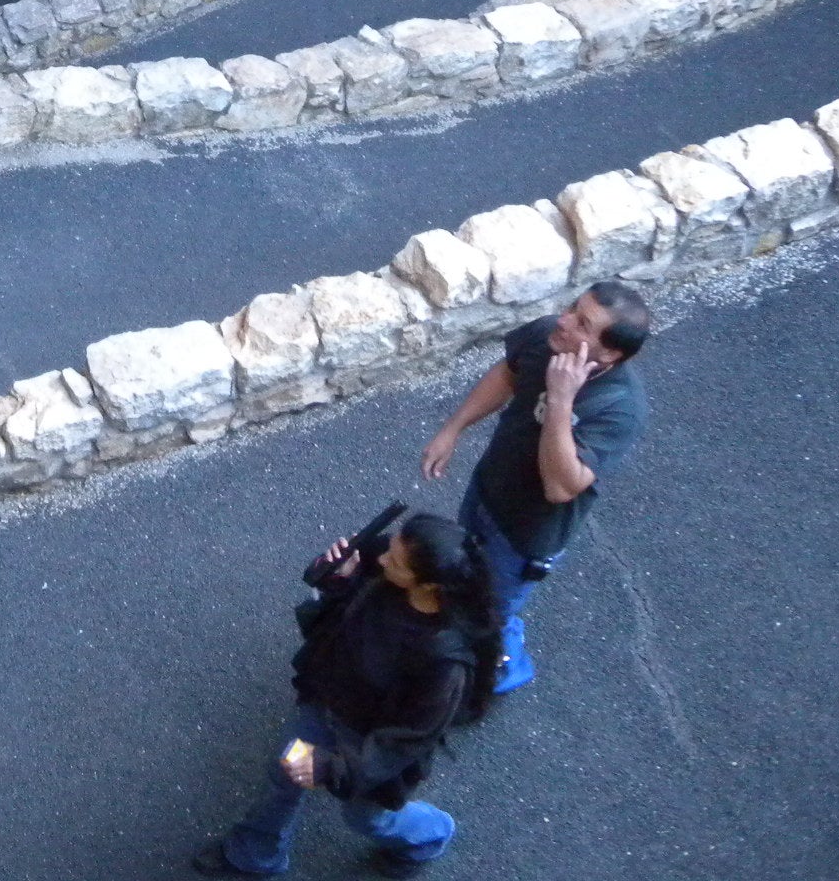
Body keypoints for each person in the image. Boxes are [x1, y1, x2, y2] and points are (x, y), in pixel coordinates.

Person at [194, 512, 503, 876]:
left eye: (397, 561)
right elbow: (337, 613)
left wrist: (332, 768)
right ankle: (255, 853)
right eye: (391, 547)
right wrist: (338, 576)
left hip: (367, 742)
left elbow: (402, 744)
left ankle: (430, 835)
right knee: (284, 771)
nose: (384, 555)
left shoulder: (443, 666)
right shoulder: (384, 569)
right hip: (327, 705)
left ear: (430, 587)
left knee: (367, 819)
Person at [418, 280, 651, 692]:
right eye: (572, 309)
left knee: (494, 608)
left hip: (526, 534)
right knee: (465, 573)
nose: (562, 322)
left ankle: (504, 666)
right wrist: (452, 429)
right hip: (487, 490)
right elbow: (508, 374)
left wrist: (562, 400)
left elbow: (562, 488)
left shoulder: (618, 407)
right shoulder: (548, 337)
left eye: (582, 323)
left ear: (610, 352)